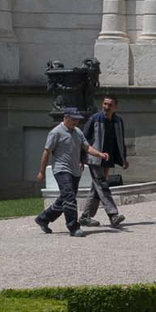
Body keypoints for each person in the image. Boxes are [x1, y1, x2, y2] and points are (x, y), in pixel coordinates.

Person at [33, 107, 93, 236]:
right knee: (69, 197)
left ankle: (43, 218)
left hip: (75, 170)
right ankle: (73, 227)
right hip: (61, 169)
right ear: (65, 118)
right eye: (73, 119)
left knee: (65, 198)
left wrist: (99, 154)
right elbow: (46, 152)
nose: (76, 122)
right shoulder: (55, 132)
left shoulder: (77, 132)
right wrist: (41, 172)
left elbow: (86, 147)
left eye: (77, 120)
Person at [80, 94, 129, 230]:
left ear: (115, 107)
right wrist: (80, 159)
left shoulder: (118, 121)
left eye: (110, 105)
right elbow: (82, 140)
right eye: (105, 104)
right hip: (94, 158)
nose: (106, 107)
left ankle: (85, 217)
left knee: (97, 188)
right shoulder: (95, 119)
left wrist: (124, 158)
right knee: (102, 184)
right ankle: (113, 214)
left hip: (109, 158)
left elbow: (121, 140)